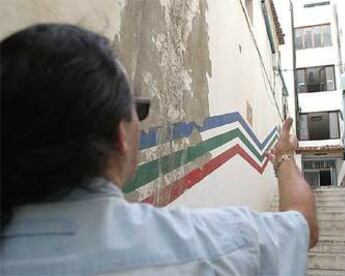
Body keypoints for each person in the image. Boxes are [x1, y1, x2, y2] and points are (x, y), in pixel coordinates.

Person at [1, 24, 318, 275]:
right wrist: (284, 157)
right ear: (119, 136)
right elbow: (302, 224)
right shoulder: (222, 245)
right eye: (137, 112)